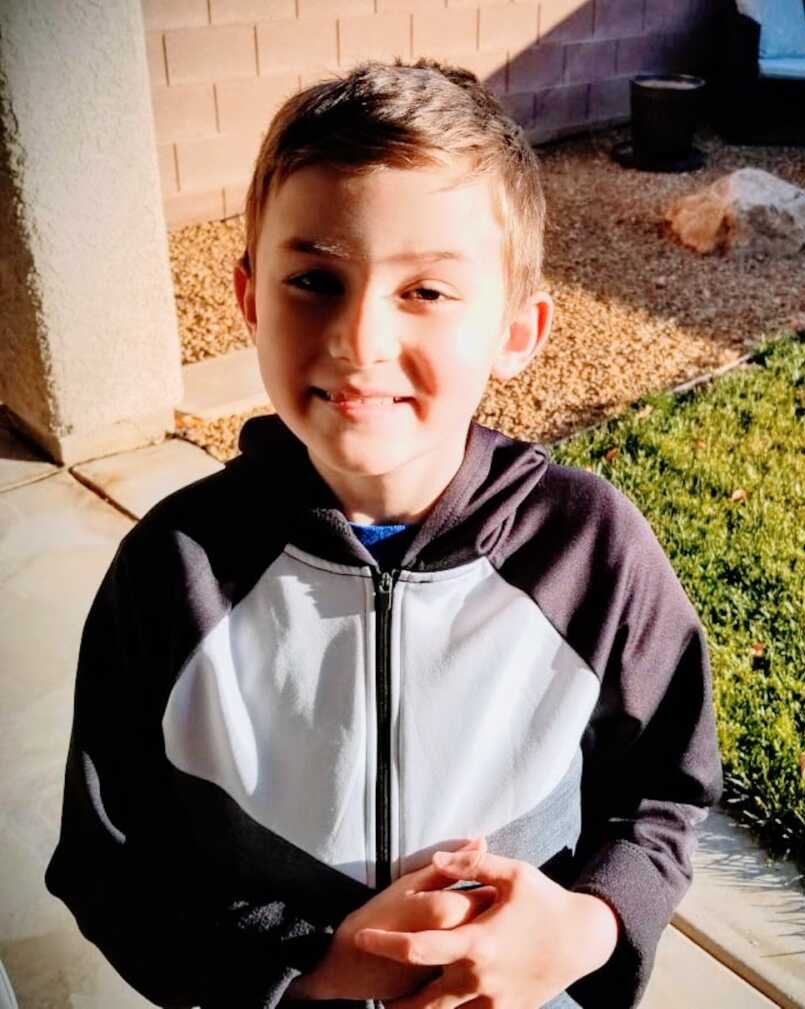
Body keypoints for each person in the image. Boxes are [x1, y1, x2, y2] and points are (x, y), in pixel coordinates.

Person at [45, 57, 723, 1009]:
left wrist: (585, 923)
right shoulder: (175, 571)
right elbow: (109, 861)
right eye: (315, 279)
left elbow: (665, 791)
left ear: (518, 330)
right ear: (248, 298)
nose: (358, 339)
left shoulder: (591, 551)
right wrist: (307, 967)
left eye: (427, 292)